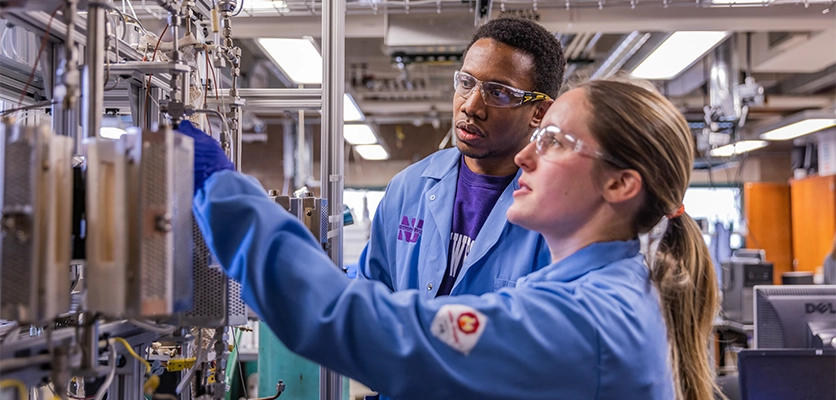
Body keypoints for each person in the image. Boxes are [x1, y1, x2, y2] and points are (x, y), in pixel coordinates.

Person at [181, 77, 720, 399]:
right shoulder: (598, 291)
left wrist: (221, 191)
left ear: (621, 183)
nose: (527, 155)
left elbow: (362, 323)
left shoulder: (584, 318)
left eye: (553, 140)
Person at [356, 17, 564, 299]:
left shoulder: (557, 213)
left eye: (498, 92)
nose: (471, 105)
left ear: (539, 112)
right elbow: (370, 296)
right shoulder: (408, 188)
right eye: (466, 82)